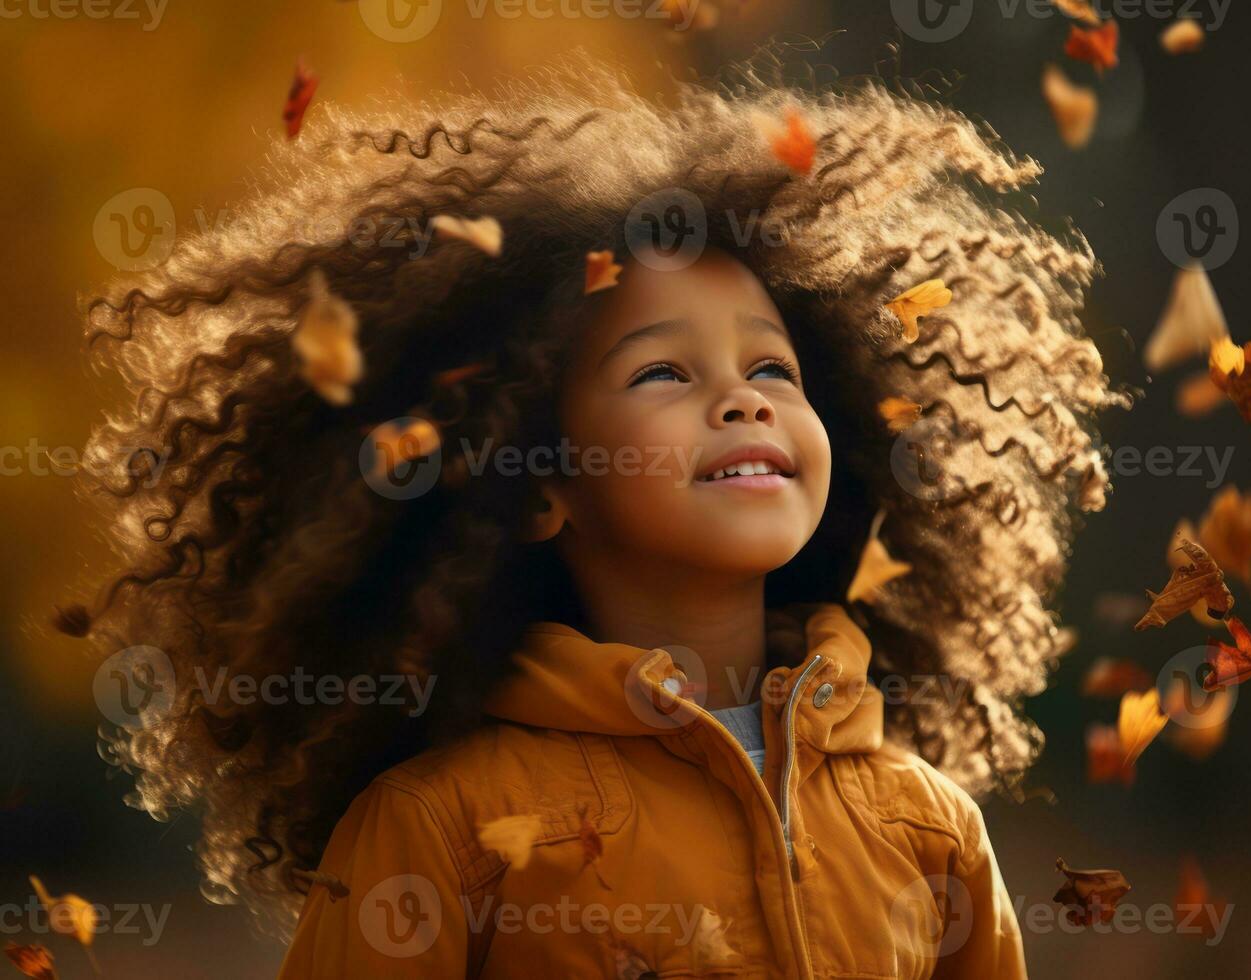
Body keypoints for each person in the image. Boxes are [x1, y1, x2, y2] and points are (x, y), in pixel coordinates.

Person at [61, 50, 1126, 978]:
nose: (744, 396)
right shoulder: (441, 825)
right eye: (663, 370)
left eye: (771, 366)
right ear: (533, 483)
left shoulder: (928, 826)